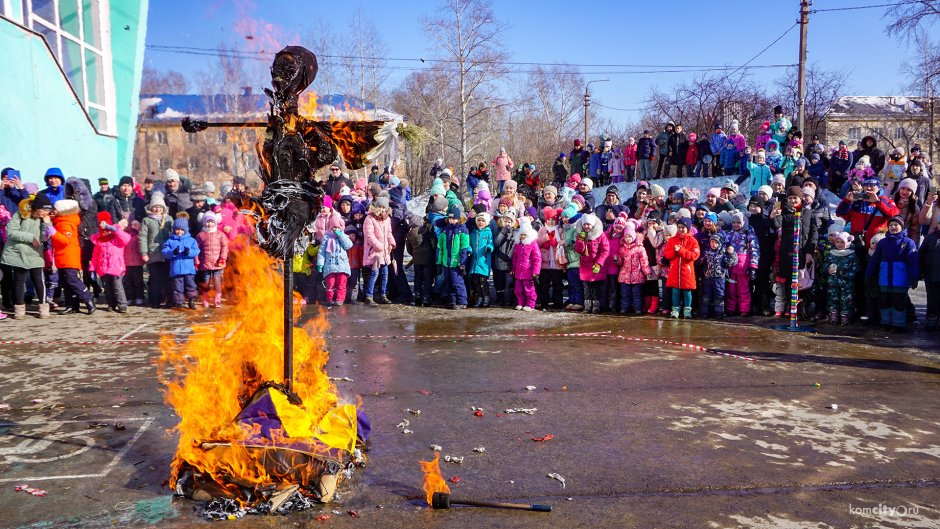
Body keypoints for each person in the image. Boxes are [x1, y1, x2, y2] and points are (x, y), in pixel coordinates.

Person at [1, 194, 51, 319]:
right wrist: (30, 238)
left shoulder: (44, 218)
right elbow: (10, 231)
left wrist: (46, 225)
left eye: (48, 210)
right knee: (18, 281)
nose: (46, 213)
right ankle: (19, 308)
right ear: (37, 207)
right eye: (44, 210)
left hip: (35, 253)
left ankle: (43, 307)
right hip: (18, 252)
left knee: (39, 281)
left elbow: (45, 238)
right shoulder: (21, 213)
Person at [867, 216, 919, 331]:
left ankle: (898, 325)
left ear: (902, 227)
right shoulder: (882, 242)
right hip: (884, 279)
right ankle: (885, 323)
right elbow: (875, 259)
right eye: (891, 225)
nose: (893, 227)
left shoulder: (908, 242)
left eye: (896, 225)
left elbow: (913, 261)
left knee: (898, 303)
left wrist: (914, 277)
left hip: (900, 280)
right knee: (885, 302)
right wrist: (869, 273)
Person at [50, 199, 96, 314]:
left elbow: (64, 240)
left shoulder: (66, 222)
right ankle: (71, 304)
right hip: (62, 255)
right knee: (65, 282)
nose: (52, 211)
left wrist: (52, 232)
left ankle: (87, 298)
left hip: (68, 255)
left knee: (72, 280)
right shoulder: (59, 221)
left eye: (55, 209)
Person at [90, 211, 131, 313]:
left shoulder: (117, 238)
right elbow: (95, 256)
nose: (105, 233)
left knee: (118, 286)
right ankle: (111, 304)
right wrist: (92, 268)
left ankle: (122, 304)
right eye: (103, 231)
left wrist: (114, 229)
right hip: (103, 268)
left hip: (117, 267)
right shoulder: (99, 241)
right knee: (107, 287)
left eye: (107, 230)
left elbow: (126, 238)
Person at [139, 194, 172, 308]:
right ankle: (154, 300)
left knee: (167, 278)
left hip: (167, 254)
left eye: (160, 207)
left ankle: (168, 300)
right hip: (153, 254)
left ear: (163, 208)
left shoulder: (168, 219)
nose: (157, 209)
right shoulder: (146, 220)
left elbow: (173, 235)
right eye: (155, 207)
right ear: (151, 208)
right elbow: (142, 237)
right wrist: (144, 253)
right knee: (154, 279)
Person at [664, 217, 700, 319]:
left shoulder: (693, 241)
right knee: (675, 291)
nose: (680, 229)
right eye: (679, 227)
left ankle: (687, 310)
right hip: (675, 271)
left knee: (687, 291)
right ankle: (675, 310)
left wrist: (681, 251)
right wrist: (675, 252)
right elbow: (667, 254)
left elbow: (694, 255)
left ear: (688, 228)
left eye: (683, 227)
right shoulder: (672, 240)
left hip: (687, 272)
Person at [725, 211, 759, 316]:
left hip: (743, 267)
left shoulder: (748, 234)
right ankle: (731, 308)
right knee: (731, 289)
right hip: (731, 266)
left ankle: (744, 309)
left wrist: (753, 266)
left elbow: (755, 250)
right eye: (733, 222)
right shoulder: (730, 234)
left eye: (738, 222)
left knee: (743, 289)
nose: (735, 224)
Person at [436, 205, 470, 310]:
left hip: (457, 263)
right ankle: (453, 301)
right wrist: (439, 262)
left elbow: (464, 247)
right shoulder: (445, 231)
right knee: (449, 282)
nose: (451, 221)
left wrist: (462, 263)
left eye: (454, 219)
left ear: (458, 219)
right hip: (447, 262)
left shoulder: (462, 231)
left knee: (457, 282)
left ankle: (462, 301)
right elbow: (440, 247)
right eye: (450, 218)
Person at [574, 213, 609, 314]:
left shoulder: (600, 235)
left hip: (595, 266)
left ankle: (596, 307)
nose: (586, 226)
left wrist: (599, 263)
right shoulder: (580, 235)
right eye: (584, 224)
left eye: (588, 224)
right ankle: (587, 306)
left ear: (593, 225)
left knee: (596, 288)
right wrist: (580, 241)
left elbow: (605, 250)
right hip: (585, 266)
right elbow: (579, 250)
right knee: (586, 288)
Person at [162, 217, 200, 309]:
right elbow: (165, 252)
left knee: (190, 285)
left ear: (186, 230)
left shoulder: (191, 240)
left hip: (189, 269)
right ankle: (179, 302)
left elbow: (196, 251)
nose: (179, 231)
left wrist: (189, 252)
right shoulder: (170, 241)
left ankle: (191, 300)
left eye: (182, 230)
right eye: (177, 229)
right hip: (176, 270)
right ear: (174, 230)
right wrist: (172, 252)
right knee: (177, 287)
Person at [823, 231, 860, 325]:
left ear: (847, 242)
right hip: (833, 282)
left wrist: (847, 275)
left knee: (846, 300)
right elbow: (825, 265)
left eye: (842, 242)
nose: (839, 244)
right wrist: (828, 270)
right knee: (832, 299)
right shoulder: (831, 254)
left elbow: (856, 268)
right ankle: (833, 315)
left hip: (846, 283)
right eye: (837, 242)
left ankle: (845, 316)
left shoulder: (851, 255)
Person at [363, 196, 395, 306]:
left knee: (385, 273)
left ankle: (383, 294)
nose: (382, 209)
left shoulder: (387, 219)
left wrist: (391, 243)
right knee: (374, 273)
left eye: (384, 207)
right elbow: (369, 236)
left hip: (385, 252)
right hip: (375, 252)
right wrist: (379, 246)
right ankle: (369, 296)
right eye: (380, 207)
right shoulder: (369, 219)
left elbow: (389, 233)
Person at [616, 218, 650, 315]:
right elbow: (620, 262)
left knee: (637, 294)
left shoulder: (640, 248)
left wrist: (646, 271)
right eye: (626, 237)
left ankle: (637, 308)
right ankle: (624, 308)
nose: (628, 239)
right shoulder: (622, 249)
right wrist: (617, 260)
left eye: (630, 237)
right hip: (624, 276)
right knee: (625, 294)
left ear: (634, 237)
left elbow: (644, 261)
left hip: (637, 276)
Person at [317, 213, 352, 307]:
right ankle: (330, 299)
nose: (335, 229)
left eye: (337, 227)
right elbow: (322, 251)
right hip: (330, 265)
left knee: (341, 284)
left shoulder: (344, 236)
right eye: (333, 227)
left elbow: (348, 245)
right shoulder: (327, 237)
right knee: (330, 284)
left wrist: (340, 235)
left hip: (342, 265)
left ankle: (340, 299)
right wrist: (320, 263)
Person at [698, 234, 736, 319]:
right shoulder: (707, 252)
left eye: (716, 242)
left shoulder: (723, 253)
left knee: (719, 296)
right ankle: (704, 312)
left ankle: (719, 313)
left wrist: (731, 253)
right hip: (708, 278)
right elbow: (700, 262)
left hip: (719, 278)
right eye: (712, 242)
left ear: (720, 243)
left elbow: (731, 263)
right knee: (706, 296)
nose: (713, 244)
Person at [195, 212, 228, 308]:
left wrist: (222, 258)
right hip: (205, 262)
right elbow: (196, 249)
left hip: (218, 263)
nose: (210, 224)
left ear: (216, 222)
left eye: (212, 222)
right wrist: (197, 262)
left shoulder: (220, 234)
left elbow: (224, 247)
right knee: (206, 282)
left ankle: (217, 299)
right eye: (207, 222)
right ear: (204, 223)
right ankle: (206, 299)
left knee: (217, 281)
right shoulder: (200, 235)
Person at [510, 216, 540, 311]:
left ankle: (530, 304)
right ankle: (520, 302)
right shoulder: (518, 245)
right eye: (521, 234)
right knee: (518, 289)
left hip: (528, 271)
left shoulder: (532, 244)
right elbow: (515, 259)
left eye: (525, 235)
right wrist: (513, 269)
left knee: (529, 289)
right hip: (519, 272)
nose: (522, 236)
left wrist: (536, 271)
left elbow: (537, 258)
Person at [467, 211, 494, 308]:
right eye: (479, 220)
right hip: (474, 260)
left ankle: (486, 297)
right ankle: (479, 297)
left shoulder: (488, 232)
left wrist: (489, 247)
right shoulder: (473, 233)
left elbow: (491, 243)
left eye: (483, 221)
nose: (480, 222)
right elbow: (469, 244)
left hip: (484, 260)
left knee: (483, 280)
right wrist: (469, 250)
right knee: (475, 281)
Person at [919, 225, 940, 330]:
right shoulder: (930, 238)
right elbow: (921, 255)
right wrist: (920, 272)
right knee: (932, 299)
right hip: (931, 274)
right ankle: (931, 320)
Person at [123, 218, 145, 306]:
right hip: (126, 262)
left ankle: (139, 297)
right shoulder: (124, 235)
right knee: (127, 281)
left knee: (138, 280)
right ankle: (129, 297)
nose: (133, 226)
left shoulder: (139, 235)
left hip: (137, 262)